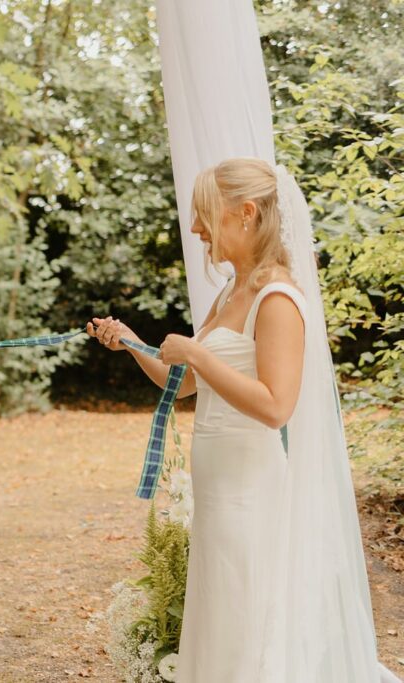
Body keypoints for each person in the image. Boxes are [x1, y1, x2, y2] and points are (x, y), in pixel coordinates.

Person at [87, 158, 400, 682]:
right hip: (218, 490)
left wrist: (199, 355)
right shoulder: (231, 292)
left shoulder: (277, 297)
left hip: (249, 493)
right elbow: (181, 383)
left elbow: (277, 404)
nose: (195, 228)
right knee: (222, 610)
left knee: (246, 614)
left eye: (204, 214)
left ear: (247, 213)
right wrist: (132, 344)